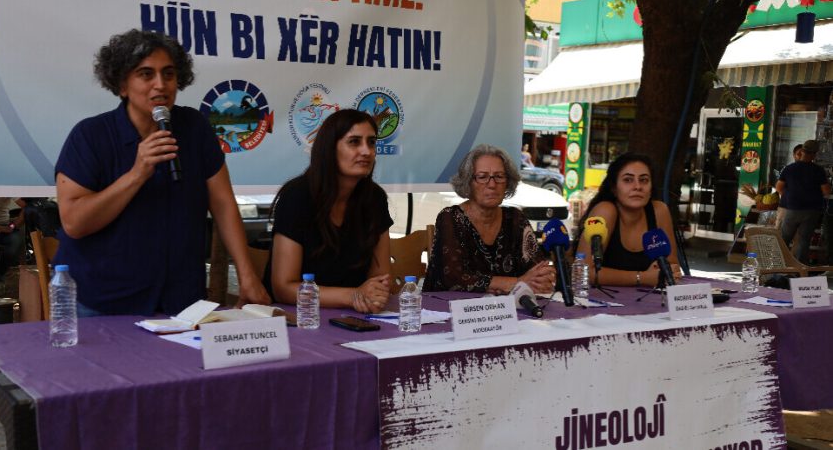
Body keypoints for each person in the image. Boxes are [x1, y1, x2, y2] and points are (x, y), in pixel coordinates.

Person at [53, 29, 270, 316]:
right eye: (146, 74)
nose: (161, 85)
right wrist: (137, 173)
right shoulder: (90, 136)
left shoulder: (194, 127)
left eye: (168, 74)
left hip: (181, 301)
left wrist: (247, 275)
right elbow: (74, 222)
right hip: (104, 301)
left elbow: (222, 203)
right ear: (122, 85)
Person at [265, 109, 393, 314]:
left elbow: (380, 279)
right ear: (329, 149)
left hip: (356, 316)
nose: (366, 151)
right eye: (354, 142)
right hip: (298, 317)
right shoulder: (297, 196)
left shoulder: (375, 198)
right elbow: (283, 288)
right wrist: (352, 296)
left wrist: (373, 295)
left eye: (371, 142)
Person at [423, 144, 555, 294]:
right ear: (468, 182)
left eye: (499, 176)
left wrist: (542, 277)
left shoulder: (515, 219)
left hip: (508, 306)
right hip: (451, 306)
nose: (492, 184)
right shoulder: (451, 217)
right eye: (482, 177)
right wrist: (518, 282)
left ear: (508, 182)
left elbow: (537, 269)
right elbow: (454, 278)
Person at [573, 153, 682, 287]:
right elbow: (581, 272)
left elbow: (673, 265)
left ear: (651, 188)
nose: (637, 186)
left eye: (644, 180)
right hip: (603, 298)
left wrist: (669, 271)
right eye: (628, 180)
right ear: (614, 188)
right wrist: (642, 277)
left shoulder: (659, 211)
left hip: (651, 297)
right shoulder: (605, 211)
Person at [776, 139, 831, 263]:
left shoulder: (789, 168)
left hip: (792, 209)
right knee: (803, 241)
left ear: (802, 151)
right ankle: (799, 268)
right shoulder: (818, 170)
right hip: (812, 210)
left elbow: (779, 187)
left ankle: (778, 265)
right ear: (814, 154)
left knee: (784, 239)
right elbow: (826, 191)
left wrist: (791, 196)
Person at [775, 144, 802, 229]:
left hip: (803, 209)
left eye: (803, 154)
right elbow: (779, 188)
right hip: (785, 207)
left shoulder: (812, 170)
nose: (801, 156)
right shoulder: (788, 169)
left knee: (797, 234)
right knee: (779, 232)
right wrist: (789, 197)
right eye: (799, 154)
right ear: (794, 155)